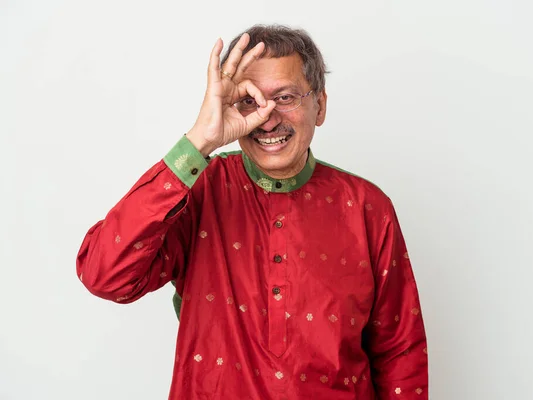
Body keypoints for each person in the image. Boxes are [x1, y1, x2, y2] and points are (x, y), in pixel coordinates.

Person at [76, 24, 428, 399]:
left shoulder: (366, 207)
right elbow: (104, 276)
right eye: (249, 101)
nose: (268, 118)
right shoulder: (199, 188)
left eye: (286, 97)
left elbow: (400, 352)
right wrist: (200, 140)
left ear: (320, 106)